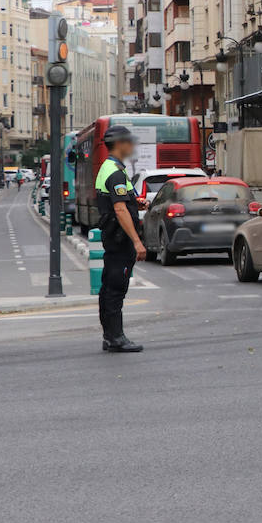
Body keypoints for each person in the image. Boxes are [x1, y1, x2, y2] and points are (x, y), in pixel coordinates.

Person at [94, 125, 146, 353]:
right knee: (116, 288)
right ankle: (116, 338)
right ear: (120, 144)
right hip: (120, 239)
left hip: (113, 237)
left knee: (108, 288)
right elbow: (120, 209)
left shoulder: (111, 167)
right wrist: (137, 241)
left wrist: (136, 203)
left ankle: (110, 336)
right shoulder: (114, 171)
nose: (132, 146)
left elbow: (123, 201)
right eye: (129, 142)